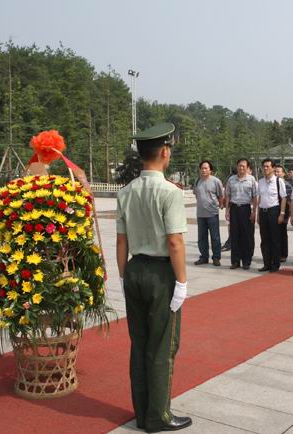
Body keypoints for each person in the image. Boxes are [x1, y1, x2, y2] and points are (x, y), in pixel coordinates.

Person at [115, 123, 192, 432]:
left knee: (140, 343)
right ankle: (158, 416)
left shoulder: (126, 192)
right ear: (164, 152)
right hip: (161, 274)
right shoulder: (170, 192)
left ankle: (142, 410)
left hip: (134, 269)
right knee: (162, 346)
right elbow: (175, 241)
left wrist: (123, 277)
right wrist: (182, 282)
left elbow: (121, 240)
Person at [225, 158, 258, 270]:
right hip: (234, 209)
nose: (241, 168)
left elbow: (255, 196)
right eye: (239, 165)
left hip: (246, 209)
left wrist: (254, 211)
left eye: (244, 166)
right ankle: (235, 261)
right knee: (234, 235)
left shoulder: (251, 179)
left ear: (247, 167)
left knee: (247, 236)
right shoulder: (231, 179)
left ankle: (246, 261)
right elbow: (228, 195)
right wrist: (227, 210)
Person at [257, 158, 287, 272]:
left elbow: (283, 198)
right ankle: (267, 263)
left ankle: (275, 264)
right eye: (263, 166)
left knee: (275, 239)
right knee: (264, 239)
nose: (265, 168)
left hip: (274, 211)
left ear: (273, 168)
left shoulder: (279, 181)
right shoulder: (260, 182)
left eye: (267, 166)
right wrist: (258, 214)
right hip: (263, 211)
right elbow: (259, 198)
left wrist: (282, 214)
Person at [193, 160, 224, 267]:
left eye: (206, 168)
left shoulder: (216, 181)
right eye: (202, 168)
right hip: (200, 214)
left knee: (215, 237)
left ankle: (216, 257)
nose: (204, 170)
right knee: (202, 238)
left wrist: (219, 205)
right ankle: (204, 257)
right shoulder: (197, 181)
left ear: (210, 170)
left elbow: (221, 196)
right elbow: (196, 194)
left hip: (212, 214)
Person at [275, 164, 292, 262]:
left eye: (278, 172)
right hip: (273, 210)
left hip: (284, 211)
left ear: (283, 173)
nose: (276, 173)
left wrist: (288, 214)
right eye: (275, 171)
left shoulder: (287, 185)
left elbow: (289, 201)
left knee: (282, 233)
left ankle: (283, 254)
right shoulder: (271, 183)